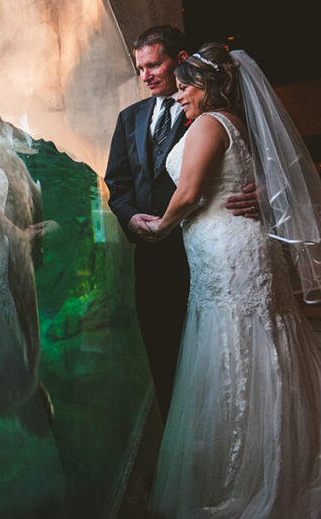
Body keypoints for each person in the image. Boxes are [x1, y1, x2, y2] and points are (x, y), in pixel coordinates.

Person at [137, 44, 321, 517]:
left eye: (184, 87)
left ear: (208, 85)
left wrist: (158, 227)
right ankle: (292, 459)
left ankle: (258, 474)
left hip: (228, 252)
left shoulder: (208, 123)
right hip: (235, 248)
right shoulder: (236, 124)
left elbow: (189, 191)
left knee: (237, 347)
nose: (179, 97)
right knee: (264, 343)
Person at [104, 25, 258, 417]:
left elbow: (256, 161)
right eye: (140, 68)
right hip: (153, 257)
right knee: (162, 350)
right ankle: (180, 437)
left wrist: (267, 192)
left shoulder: (214, 112)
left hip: (208, 255)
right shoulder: (129, 118)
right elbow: (117, 183)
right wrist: (128, 216)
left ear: (182, 60)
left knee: (218, 351)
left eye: (154, 64)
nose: (146, 75)